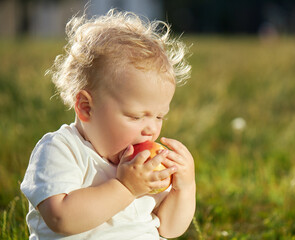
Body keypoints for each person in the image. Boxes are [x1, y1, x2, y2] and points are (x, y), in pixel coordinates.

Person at [20, 9, 195, 240]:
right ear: (86, 107)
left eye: (159, 117)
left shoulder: (142, 167)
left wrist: (185, 188)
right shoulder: (61, 149)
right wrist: (126, 188)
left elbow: (169, 229)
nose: (151, 129)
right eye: (135, 116)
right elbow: (60, 218)